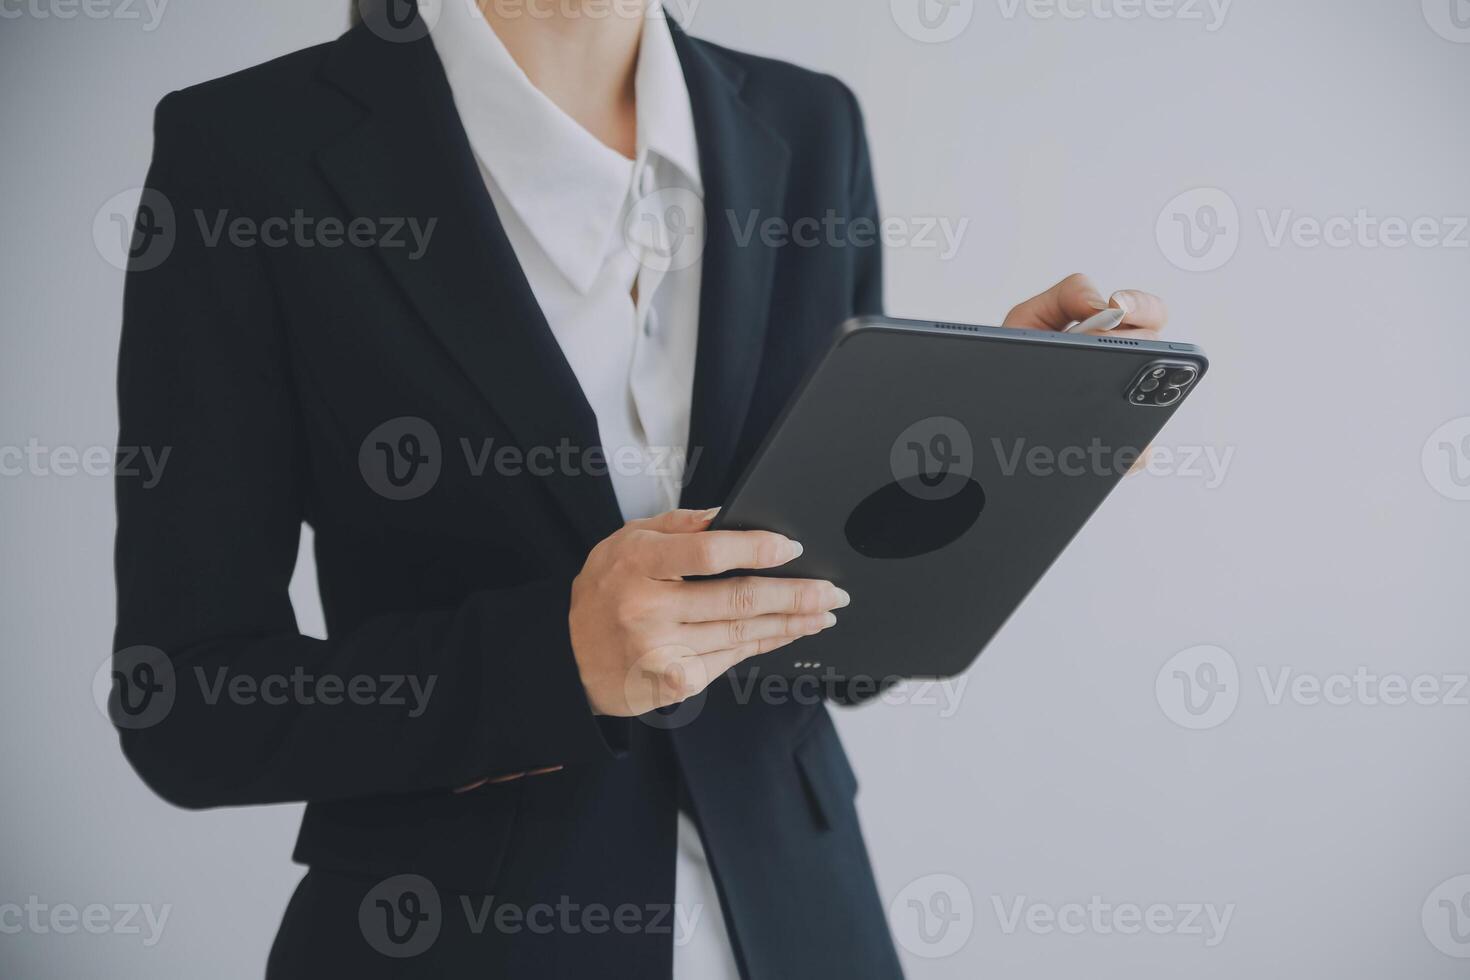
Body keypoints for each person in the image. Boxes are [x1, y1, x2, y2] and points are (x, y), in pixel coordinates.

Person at [111, 0, 1169, 975]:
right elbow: (188, 704)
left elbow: (837, 649)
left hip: (804, 921)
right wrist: (552, 661)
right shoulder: (245, 153)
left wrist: (971, 471)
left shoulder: (810, 126)